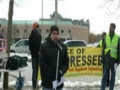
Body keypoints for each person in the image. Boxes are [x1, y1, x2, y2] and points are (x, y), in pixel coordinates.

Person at [40, 25, 69, 90]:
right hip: (48, 84)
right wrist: (52, 74)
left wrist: (61, 71)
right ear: (50, 34)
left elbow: (66, 62)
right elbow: (42, 64)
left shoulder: (62, 47)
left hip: (58, 83)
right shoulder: (44, 47)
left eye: (57, 34)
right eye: (54, 34)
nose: (56, 36)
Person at [101, 23, 120, 90]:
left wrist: (118, 60)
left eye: (111, 27)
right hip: (107, 60)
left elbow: (119, 50)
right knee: (104, 76)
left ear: (114, 28)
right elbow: (104, 49)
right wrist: (102, 58)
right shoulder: (107, 37)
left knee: (113, 77)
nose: (110, 28)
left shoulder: (117, 37)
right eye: (109, 27)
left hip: (114, 61)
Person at [29, 22, 42, 89]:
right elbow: (30, 46)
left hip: (38, 55)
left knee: (37, 70)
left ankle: (37, 83)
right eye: (37, 27)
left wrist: (40, 51)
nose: (37, 28)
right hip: (34, 55)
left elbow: (40, 45)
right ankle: (34, 85)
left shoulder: (39, 35)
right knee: (35, 70)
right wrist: (35, 51)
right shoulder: (31, 36)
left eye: (38, 27)